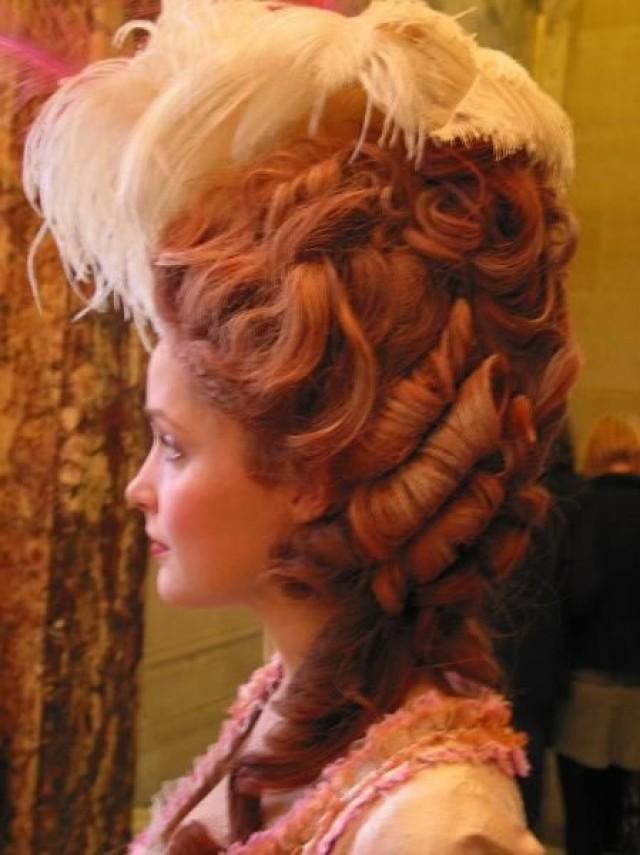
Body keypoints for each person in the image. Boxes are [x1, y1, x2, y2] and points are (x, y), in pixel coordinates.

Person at [20, 1, 580, 851]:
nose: (137, 486)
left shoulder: (433, 828)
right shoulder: (288, 700)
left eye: (172, 445)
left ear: (318, 468)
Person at [556, 414, 640, 855]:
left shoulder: (577, 508)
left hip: (586, 683)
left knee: (583, 816)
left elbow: (574, 595)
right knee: (626, 819)